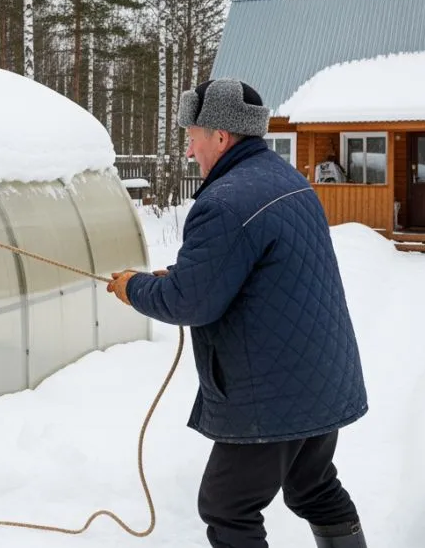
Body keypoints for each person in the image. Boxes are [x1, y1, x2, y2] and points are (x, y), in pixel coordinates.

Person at [106, 78, 369, 548]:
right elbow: (246, 270)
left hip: (273, 391)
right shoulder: (286, 181)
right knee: (313, 487)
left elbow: (190, 303)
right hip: (321, 376)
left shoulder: (225, 202)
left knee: (227, 508)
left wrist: (135, 288)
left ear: (222, 137)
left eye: (193, 138)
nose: (190, 152)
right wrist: (181, 274)